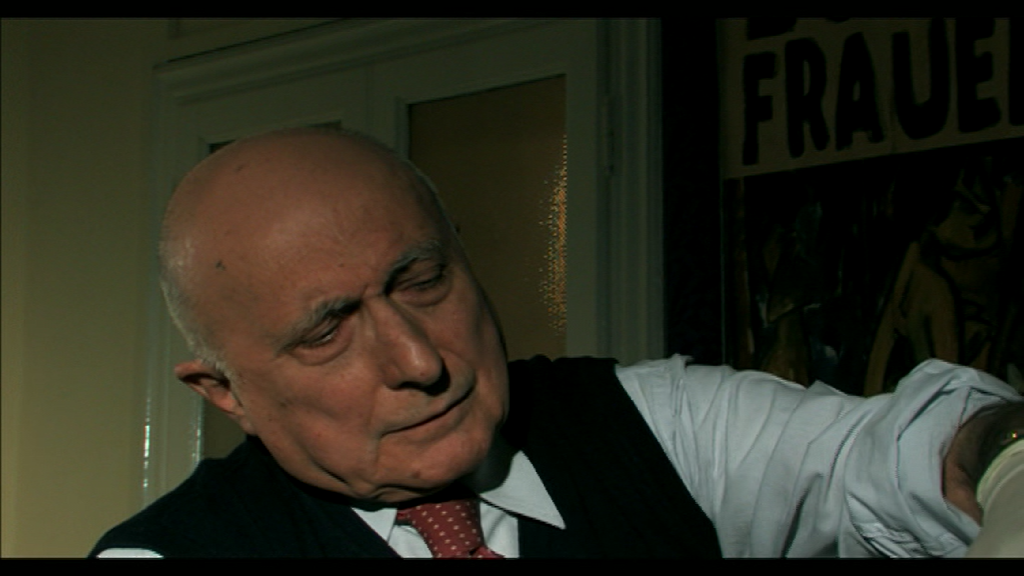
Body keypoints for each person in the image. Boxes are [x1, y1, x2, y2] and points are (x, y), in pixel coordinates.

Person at [91, 128, 1022, 558]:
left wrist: (1005, 462)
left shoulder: (649, 423)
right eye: (328, 332)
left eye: (423, 281)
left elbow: (904, 454)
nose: (421, 363)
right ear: (226, 394)